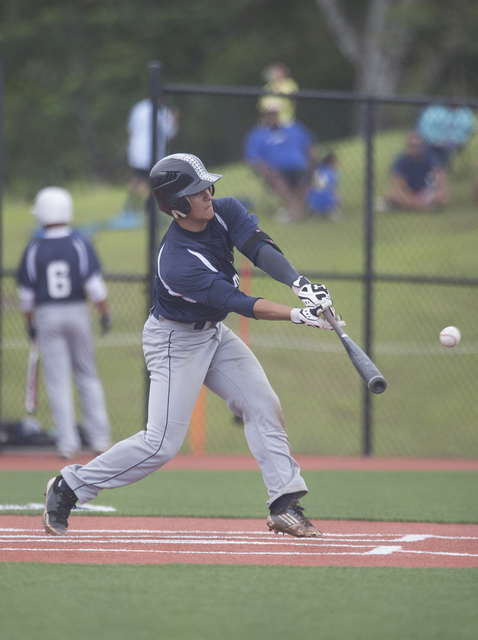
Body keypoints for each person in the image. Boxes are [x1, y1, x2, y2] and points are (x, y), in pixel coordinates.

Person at [42, 153, 345, 539]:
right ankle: (69, 487)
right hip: (174, 341)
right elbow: (240, 303)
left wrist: (300, 285)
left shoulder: (226, 210)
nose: (207, 194)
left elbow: (258, 246)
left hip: (212, 334)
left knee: (262, 403)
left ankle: (283, 504)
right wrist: (299, 315)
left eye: (206, 186)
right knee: (160, 445)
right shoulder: (177, 263)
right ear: (175, 207)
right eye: (195, 191)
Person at [17, 187, 112, 459]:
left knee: (57, 380)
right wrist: (105, 314)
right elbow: (96, 287)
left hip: (47, 314)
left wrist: (30, 324)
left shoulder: (34, 247)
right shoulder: (80, 243)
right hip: (77, 311)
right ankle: (100, 439)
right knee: (87, 374)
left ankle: (67, 444)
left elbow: (26, 297)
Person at [244, 98, 317, 222]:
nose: (272, 117)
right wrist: (265, 169)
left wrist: (312, 159)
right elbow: (253, 158)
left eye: (274, 113)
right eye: (269, 114)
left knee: (308, 173)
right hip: (276, 171)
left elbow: (309, 144)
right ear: (263, 115)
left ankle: (297, 210)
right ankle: (295, 209)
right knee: (275, 177)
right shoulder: (257, 135)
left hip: (299, 167)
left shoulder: (293, 128)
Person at [121, 96, 179, 216]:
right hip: (144, 152)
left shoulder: (141, 108)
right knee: (142, 179)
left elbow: (130, 131)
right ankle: (149, 204)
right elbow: (170, 134)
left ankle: (130, 206)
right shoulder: (160, 111)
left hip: (143, 152)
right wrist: (174, 122)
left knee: (139, 179)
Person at [383, 131, 450, 211]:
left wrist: (441, 190)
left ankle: (411, 206)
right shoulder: (401, 160)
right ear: (407, 146)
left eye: (418, 145)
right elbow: (398, 182)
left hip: (425, 191)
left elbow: (439, 175)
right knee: (390, 194)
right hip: (408, 192)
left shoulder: (429, 158)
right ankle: (424, 207)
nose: (415, 148)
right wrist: (411, 198)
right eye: (413, 146)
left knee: (443, 196)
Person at [416, 102, 476, 168]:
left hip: (451, 147)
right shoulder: (435, 112)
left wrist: (457, 142)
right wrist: (436, 141)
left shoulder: (464, 115)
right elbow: (423, 129)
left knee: (446, 156)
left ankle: (440, 171)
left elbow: (470, 130)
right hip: (431, 144)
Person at [306, 152, 341, 220]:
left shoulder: (315, 170)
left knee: (311, 190)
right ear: (332, 162)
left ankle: (315, 212)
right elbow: (334, 187)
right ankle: (333, 210)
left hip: (313, 205)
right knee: (337, 194)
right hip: (329, 204)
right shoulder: (332, 172)